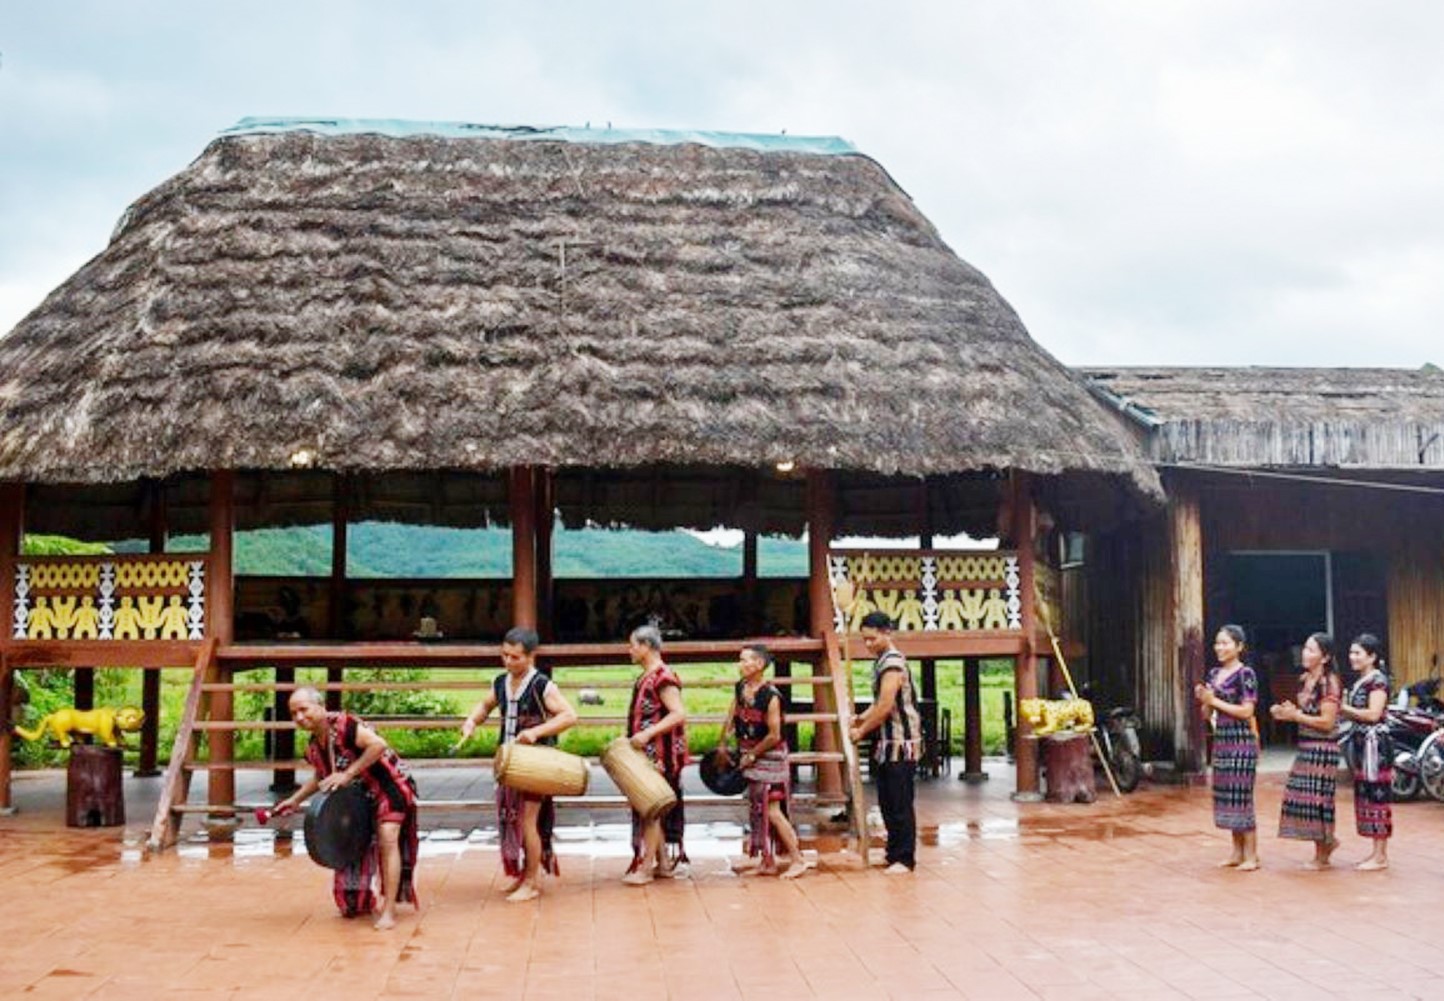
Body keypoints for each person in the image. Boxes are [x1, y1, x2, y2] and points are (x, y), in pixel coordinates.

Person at [270, 687, 419, 930]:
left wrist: (348, 774)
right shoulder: (314, 745)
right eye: (294, 713)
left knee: (387, 838)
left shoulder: (345, 726)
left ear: (321, 706)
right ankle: (360, 899)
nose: (299, 717)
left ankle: (389, 910)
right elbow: (322, 775)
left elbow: (378, 745)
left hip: (389, 786)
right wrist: (295, 800)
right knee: (353, 843)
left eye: (304, 709)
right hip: (359, 796)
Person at [460, 626, 578, 902]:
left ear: (530, 656)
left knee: (528, 822)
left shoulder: (542, 685)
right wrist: (471, 721)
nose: (508, 661)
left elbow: (569, 716)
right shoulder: (501, 682)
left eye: (515, 657)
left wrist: (536, 732)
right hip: (510, 762)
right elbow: (485, 706)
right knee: (515, 820)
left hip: (536, 764)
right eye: (505, 655)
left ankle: (533, 881)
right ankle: (525, 874)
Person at [719, 643, 806, 879]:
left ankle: (798, 859)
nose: (740, 664)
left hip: (770, 758)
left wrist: (753, 754)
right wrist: (724, 739)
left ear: (759, 664)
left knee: (772, 810)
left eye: (744, 660)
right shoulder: (741, 687)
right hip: (749, 754)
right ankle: (767, 861)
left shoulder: (771, 696)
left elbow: (774, 735)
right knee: (759, 810)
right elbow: (733, 711)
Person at [849, 611, 921, 874]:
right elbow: (877, 703)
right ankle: (894, 853)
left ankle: (904, 858)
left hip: (901, 741)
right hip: (887, 742)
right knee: (888, 801)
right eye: (865, 640)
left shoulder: (892, 663)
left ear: (887, 633)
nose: (868, 644)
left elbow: (886, 705)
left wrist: (862, 730)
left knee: (899, 802)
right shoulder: (881, 661)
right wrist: (860, 717)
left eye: (872, 639)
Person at [623, 623, 689, 885]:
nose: (629, 650)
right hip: (648, 755)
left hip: (661, 755)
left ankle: (646, 868)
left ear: (646, 646)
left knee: (651, 811)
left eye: (633, 645)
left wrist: (648, 734)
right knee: (651, 809)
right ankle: (662, 863)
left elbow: (678, 713)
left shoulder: (663, 677)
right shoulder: (647, 676)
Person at [1271, 632, 1342, 868]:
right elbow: (1304, 714)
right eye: (1305, 648)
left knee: (1319, 800)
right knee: (1303, 797)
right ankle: (1327, 843)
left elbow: (1327, 722)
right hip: (1306, 745)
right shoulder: (1304, 679)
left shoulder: (1329, 682)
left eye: (1311, 650)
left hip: (1323, 748)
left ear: (1325, 657)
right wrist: (1285, 713)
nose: (1304, 653)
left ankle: (1323, 853)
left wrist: (1296, 716)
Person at [1194, 624, 1261, 870]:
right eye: (1217, 643)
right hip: (1221, 739)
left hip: (1241, 740)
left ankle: (1251, 855)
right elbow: (1206, 714)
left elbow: (1247, 711)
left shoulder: (1246, 674)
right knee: (1227, 796)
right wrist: (1205, 700)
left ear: (1239, 646)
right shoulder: (1214, 674)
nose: (1219, 648)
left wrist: (1215, 700)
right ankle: (1236, 852)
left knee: (1242, 796)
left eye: (1225, 643)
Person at [1339, 632, 1392, 870]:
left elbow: (1373, 714)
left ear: (1372, 656)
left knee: (1377, 796)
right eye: (1351, 652)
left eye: (1357, 653)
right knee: (1368, 795)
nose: (1352, 657)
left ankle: (1380, 856)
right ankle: (1376, 853)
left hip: (1375, 746)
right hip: (1362, 744)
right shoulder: (1362, 681)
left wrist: (1344, 709)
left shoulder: (1377, 681)